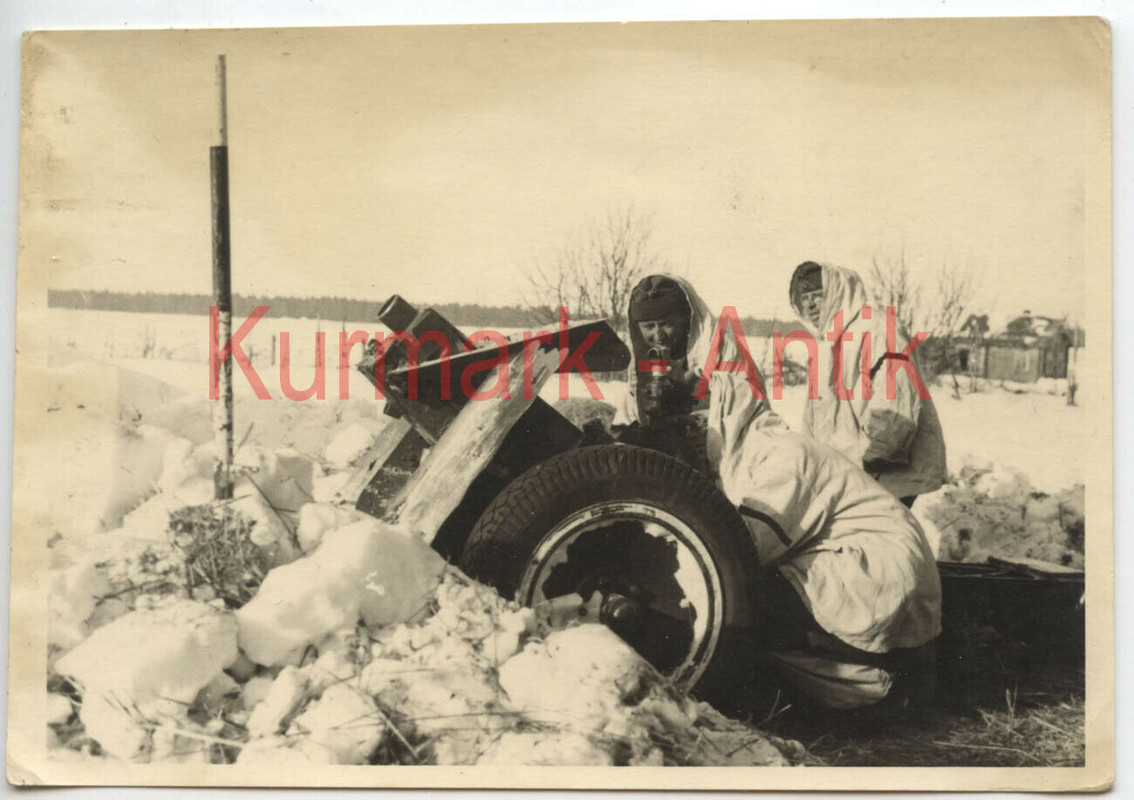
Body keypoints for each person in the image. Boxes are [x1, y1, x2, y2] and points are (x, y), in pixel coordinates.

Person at [617, 274, 942, 712]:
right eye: (648, 327)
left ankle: (876, 679)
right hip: (862, 574)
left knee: (732, 598)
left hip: (882, 587)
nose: (691, 439)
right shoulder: (741, 458)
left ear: (723, 417)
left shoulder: (778, 457)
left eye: (696, 427)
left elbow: (737, 551)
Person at [788, 261, 947, 507]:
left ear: (838, 293)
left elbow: (895, 410)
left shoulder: (878, 330)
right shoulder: (829, 341)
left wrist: (865, 462)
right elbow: (818, 416)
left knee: (878, 531)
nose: (810, 305)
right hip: (848, 472)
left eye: (818, 296)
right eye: (805, 298)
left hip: (883, 474)